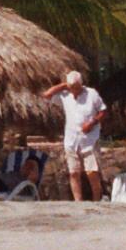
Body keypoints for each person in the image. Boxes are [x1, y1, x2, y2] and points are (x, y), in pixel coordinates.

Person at [41, 69, 108, 201]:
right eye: (72, 88)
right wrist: (63, 86)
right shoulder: (65, 95)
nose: (74, 90)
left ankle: (96, 200)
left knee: (92, 172)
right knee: (73, 172)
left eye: (76, 87)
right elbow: (46, 95)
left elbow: (103, 111)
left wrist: (92, 122)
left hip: (89, 139)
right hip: (71, 139)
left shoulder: (91, 94)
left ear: (81, 85)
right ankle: (78, 202)